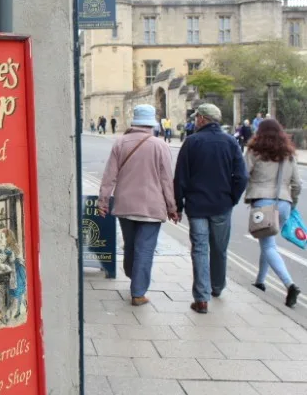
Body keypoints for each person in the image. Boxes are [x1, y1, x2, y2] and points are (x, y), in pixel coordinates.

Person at [98, 104, 178, 306]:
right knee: (145, 249)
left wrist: (103, 202)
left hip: (125, 205)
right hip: (152, 208)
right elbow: (167, 181)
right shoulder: (160, 146)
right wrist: (172, 207)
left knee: (131, 246)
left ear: (134, 121)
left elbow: (109, 176)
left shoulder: (120, 143)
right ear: (152, 123)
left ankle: (133, 275)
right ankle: (138, 292)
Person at [174, 104, 248, 314]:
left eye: (197, 117)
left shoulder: (192, 142)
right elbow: (241, 177)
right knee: (219, 248)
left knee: (199, 249)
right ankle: (216, 287)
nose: (195, 120)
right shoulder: (230, 142)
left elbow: (181, 177)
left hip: (197, 206)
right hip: (221, 205)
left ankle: (201, 298)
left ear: (203, 119)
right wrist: (232, 198)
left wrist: (178, 205)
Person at [244, 119, 302, 307]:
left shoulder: (254, 151)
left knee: (267, 244)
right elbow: (297, 184)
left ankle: (290, 284)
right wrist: (292, 203)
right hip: (284, 202)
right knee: (268, 243)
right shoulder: (288, 153)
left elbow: (245, 173)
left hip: (262, 202)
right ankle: (260, 281)